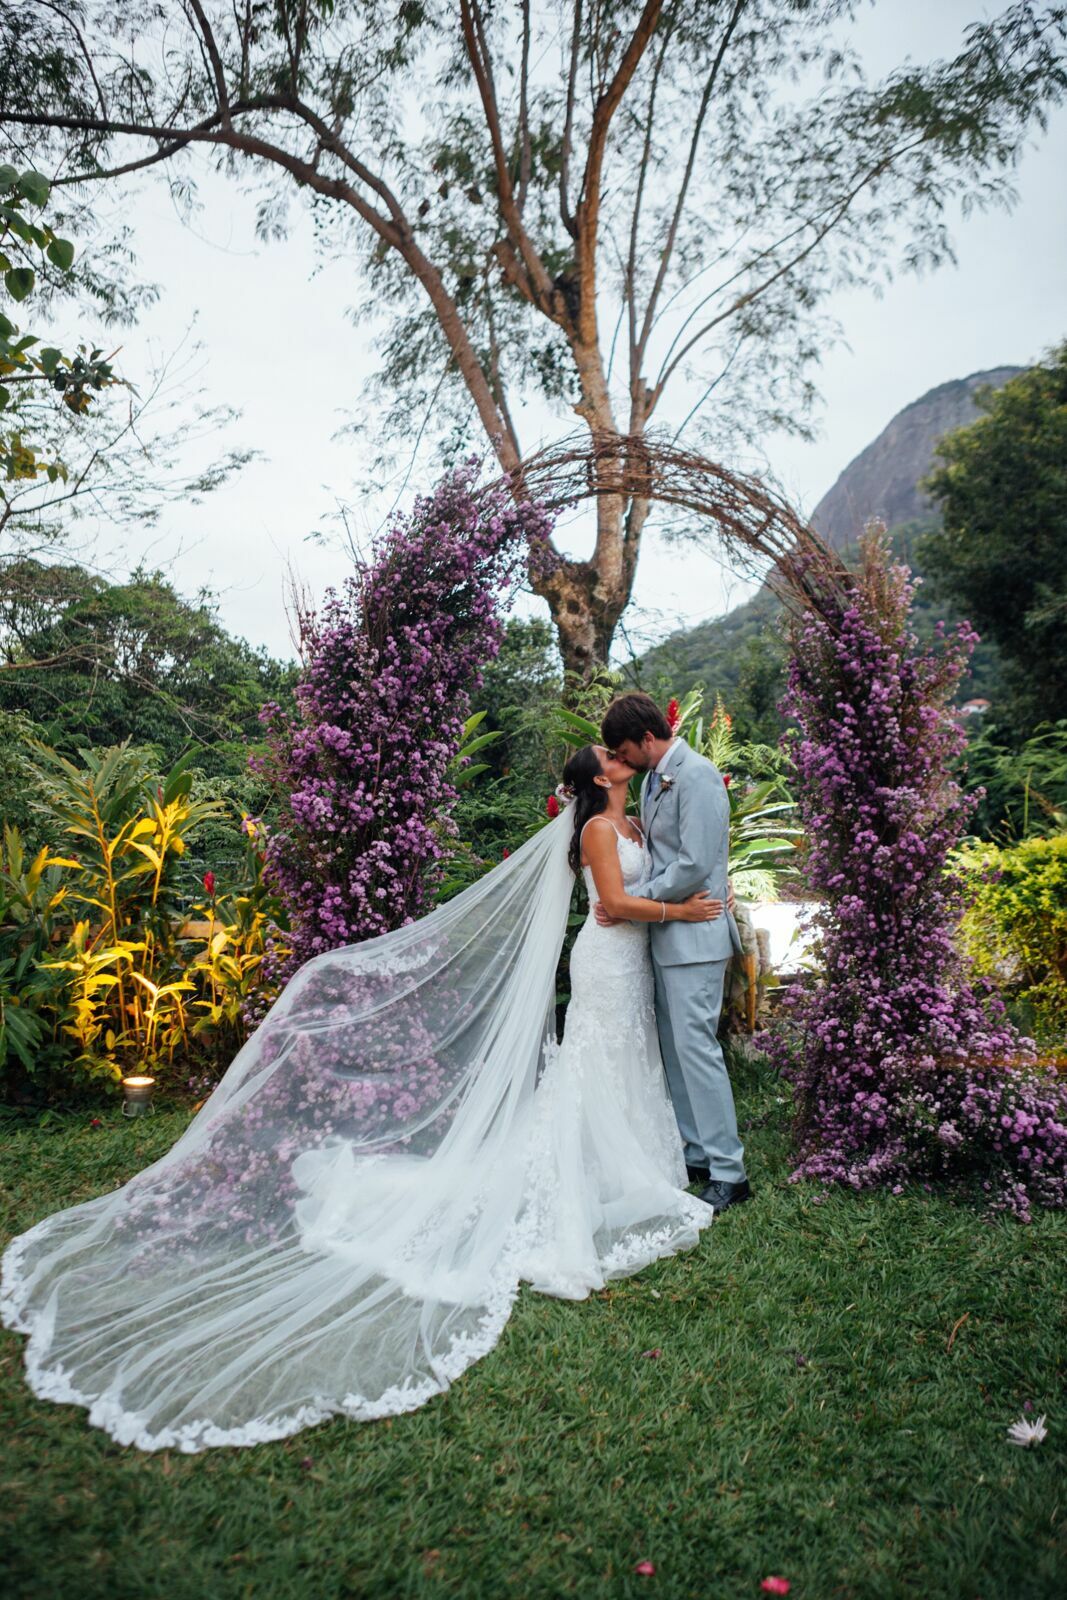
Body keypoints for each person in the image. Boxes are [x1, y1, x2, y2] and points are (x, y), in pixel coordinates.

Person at [0, 743, 729, 1454]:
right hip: (607, 963)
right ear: (598, 778)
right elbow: (612, 903)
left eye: (619, 753)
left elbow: (643, 889)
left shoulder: (637, 821)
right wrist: (683, 914)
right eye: (610, 758)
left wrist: (666, 905)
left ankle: (628, 1160)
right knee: (594, 1065)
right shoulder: (598, 827)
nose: (620, 759)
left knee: (626, 1062)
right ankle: (587, 1171)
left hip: (634, 962)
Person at [599, 692, 751, 1213]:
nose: (621, 760)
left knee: (698, 1052)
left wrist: (633, 901)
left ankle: (730, 1171)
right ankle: (698, 1154)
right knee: (677, 1053)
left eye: (624, 750)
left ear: (647, 738)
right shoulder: (651, 779)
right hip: (665, 939)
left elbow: (693, 863)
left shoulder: (698, 775)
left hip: (697, 937)